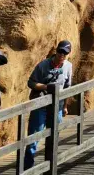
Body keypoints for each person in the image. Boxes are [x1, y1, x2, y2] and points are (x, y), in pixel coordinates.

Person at [23, 41, 73, 170]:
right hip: (41, 105)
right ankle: (27, 167)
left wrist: (65, 106)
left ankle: (51, 165)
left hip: (58, 107)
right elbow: (31, 82)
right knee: (34, 136)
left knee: (54, 135)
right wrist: (46, 87)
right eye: (60, 51)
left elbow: (67, 87)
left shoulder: (68, 66)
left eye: (65, 53)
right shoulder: (43, 65)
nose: (62, 55)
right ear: (56, 50)